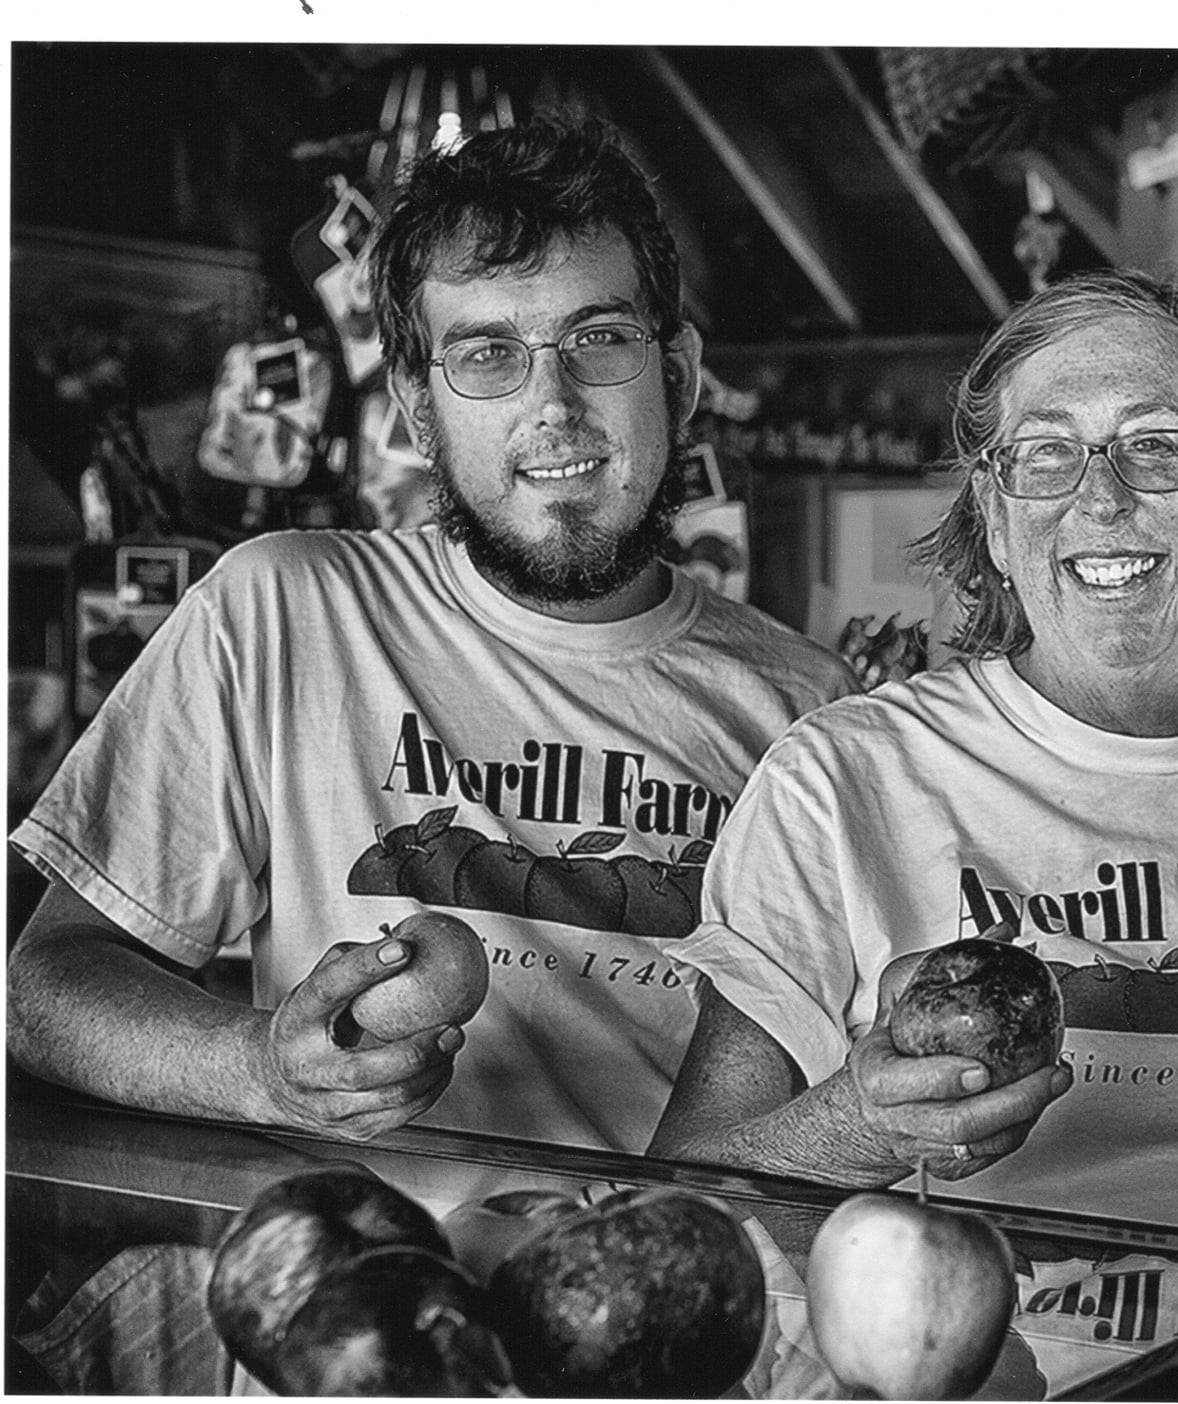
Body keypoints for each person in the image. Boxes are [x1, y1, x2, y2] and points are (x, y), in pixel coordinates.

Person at [7, 117, 855, 1155]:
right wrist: (265, 1070)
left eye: (598, 340)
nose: (552, 406)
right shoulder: (286, 611)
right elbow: (43, 988)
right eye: (488, 354)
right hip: (352, 1251)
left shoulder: (810, 709)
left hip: (661, 1251)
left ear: (675, 376)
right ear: (418, 410)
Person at [649, 268, 1178, 1251]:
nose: (1100, 498)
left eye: (1155, 445)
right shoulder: (844, 779)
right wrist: (855, 1130)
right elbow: (677, 1206)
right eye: (1046, 454)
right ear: (995, 519)